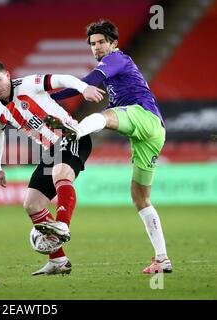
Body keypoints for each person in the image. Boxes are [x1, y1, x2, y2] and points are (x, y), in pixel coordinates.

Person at [47, 20, 172, 274]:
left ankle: (76, 132)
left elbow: (89, 80)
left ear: (113, 43)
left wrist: (50, 97)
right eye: (93, 44)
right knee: (140, 197)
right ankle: (162, 260)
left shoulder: (117, 59)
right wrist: (54, 97)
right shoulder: (113, 65)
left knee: (106, 115)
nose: (97, 47)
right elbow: (87, 85)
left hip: (143, 116)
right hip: (153, 133)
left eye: (101, 42)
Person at [0, 61, 105, 275]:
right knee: (31, 204)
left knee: (60, 174)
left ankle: (63, 225)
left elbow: (61, 79)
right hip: (51, 151)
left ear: (8, 75)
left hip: (72, 135)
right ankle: (58, 261)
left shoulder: (29, 84)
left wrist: (84, 88)